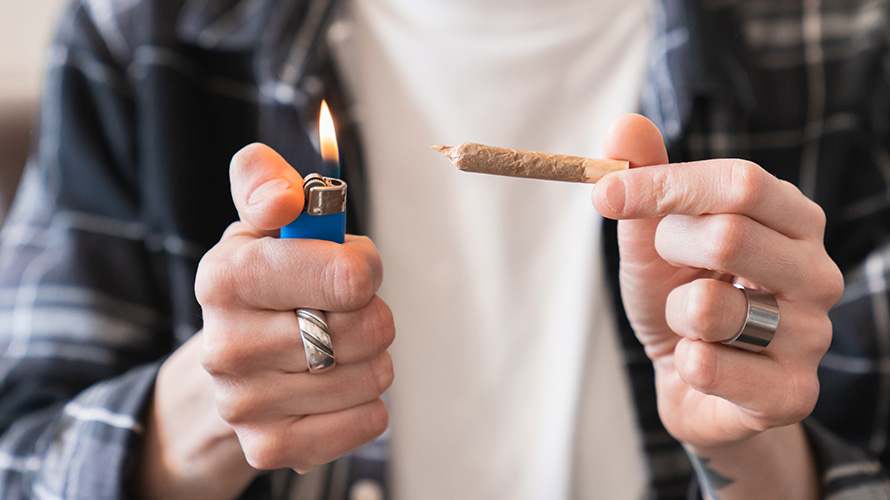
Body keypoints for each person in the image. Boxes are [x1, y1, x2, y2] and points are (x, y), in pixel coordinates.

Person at [1, 1, 889, 500]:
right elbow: (21, 460)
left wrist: (755, 447)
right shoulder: (143, 29)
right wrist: (207, 410)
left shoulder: (847, 39)